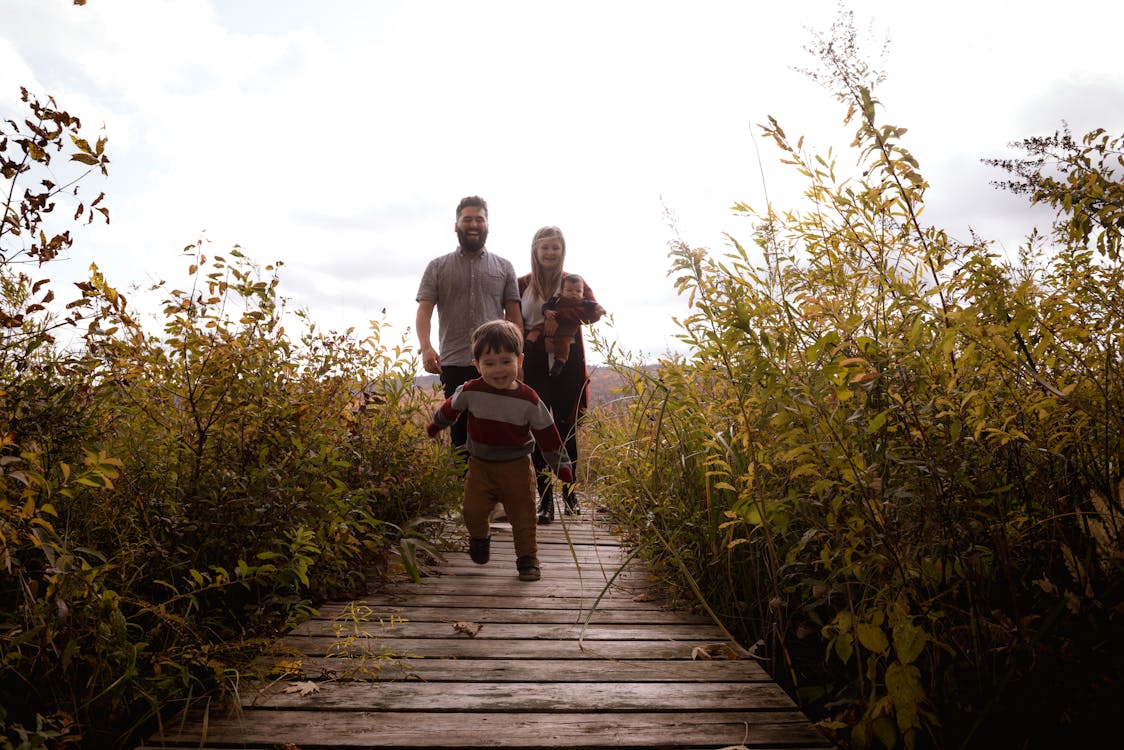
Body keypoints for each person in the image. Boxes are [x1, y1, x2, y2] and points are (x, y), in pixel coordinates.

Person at [425, 320, 573, 582]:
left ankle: (527, 559)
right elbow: (451, 407)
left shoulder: (528, 399)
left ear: (520, 359)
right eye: (489, 363)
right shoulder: (471, 390)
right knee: (472, 510)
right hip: (480, 466)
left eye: (506, 361)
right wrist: (437, 424)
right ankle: (480, 537)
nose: (498, 370)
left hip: (517, 466)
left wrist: (560, 465)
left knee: (523, 514)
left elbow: (547, 433)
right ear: (476, 365)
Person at [416, 196, 523, 453]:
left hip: (496, 363)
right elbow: (424, 312)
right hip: (453, 362)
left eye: (479, 219)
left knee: (497, 430)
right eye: (467, 219)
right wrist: (427, 348)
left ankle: (494, 489)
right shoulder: (437, 267)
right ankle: (463, 490)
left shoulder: (504, 266)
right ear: (456, 225)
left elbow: (515, 315)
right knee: (460, 434)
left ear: (487, 224)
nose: (473, 224)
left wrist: (518, 357)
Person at [518, 226, 604, 524]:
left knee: (566, 428)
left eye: (556, 247)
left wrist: (560, 318)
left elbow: (592, 312)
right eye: (545, 247)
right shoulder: (522, 285)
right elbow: (512, 321)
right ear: (536, 251)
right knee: (540, 428)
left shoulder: (574, 283)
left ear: (562, 250)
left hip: (568, 361)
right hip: (534, 362)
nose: (551, 253)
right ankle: (544, 500)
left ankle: (570, 494)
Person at [526, 273, 607, 377]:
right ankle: (528, 343)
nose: (574, 294)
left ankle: (559, 363)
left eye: (578, 291)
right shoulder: (557, 299)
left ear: (583, 292)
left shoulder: (583, 302)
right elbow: (546, 306)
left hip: (566, 332)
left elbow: (594, 307)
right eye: (569, 291)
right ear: (562, 291)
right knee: (536, 329)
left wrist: (600, 309)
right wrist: (547, 312)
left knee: (563, 346)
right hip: (546, 326)